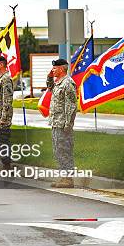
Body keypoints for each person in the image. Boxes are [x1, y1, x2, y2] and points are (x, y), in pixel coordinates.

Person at [47, 58, 77, 188]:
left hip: (63, 124)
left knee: (64, 150)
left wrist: (68, 124)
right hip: (55, 122)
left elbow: (71, 105)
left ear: (61, 69)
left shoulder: (68, 83)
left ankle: (68, 179)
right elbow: (49, 88)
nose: (52, 70)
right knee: (58, 150)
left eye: (55, 68)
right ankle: (64, 176)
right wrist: (49, 77)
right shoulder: (58, 82)